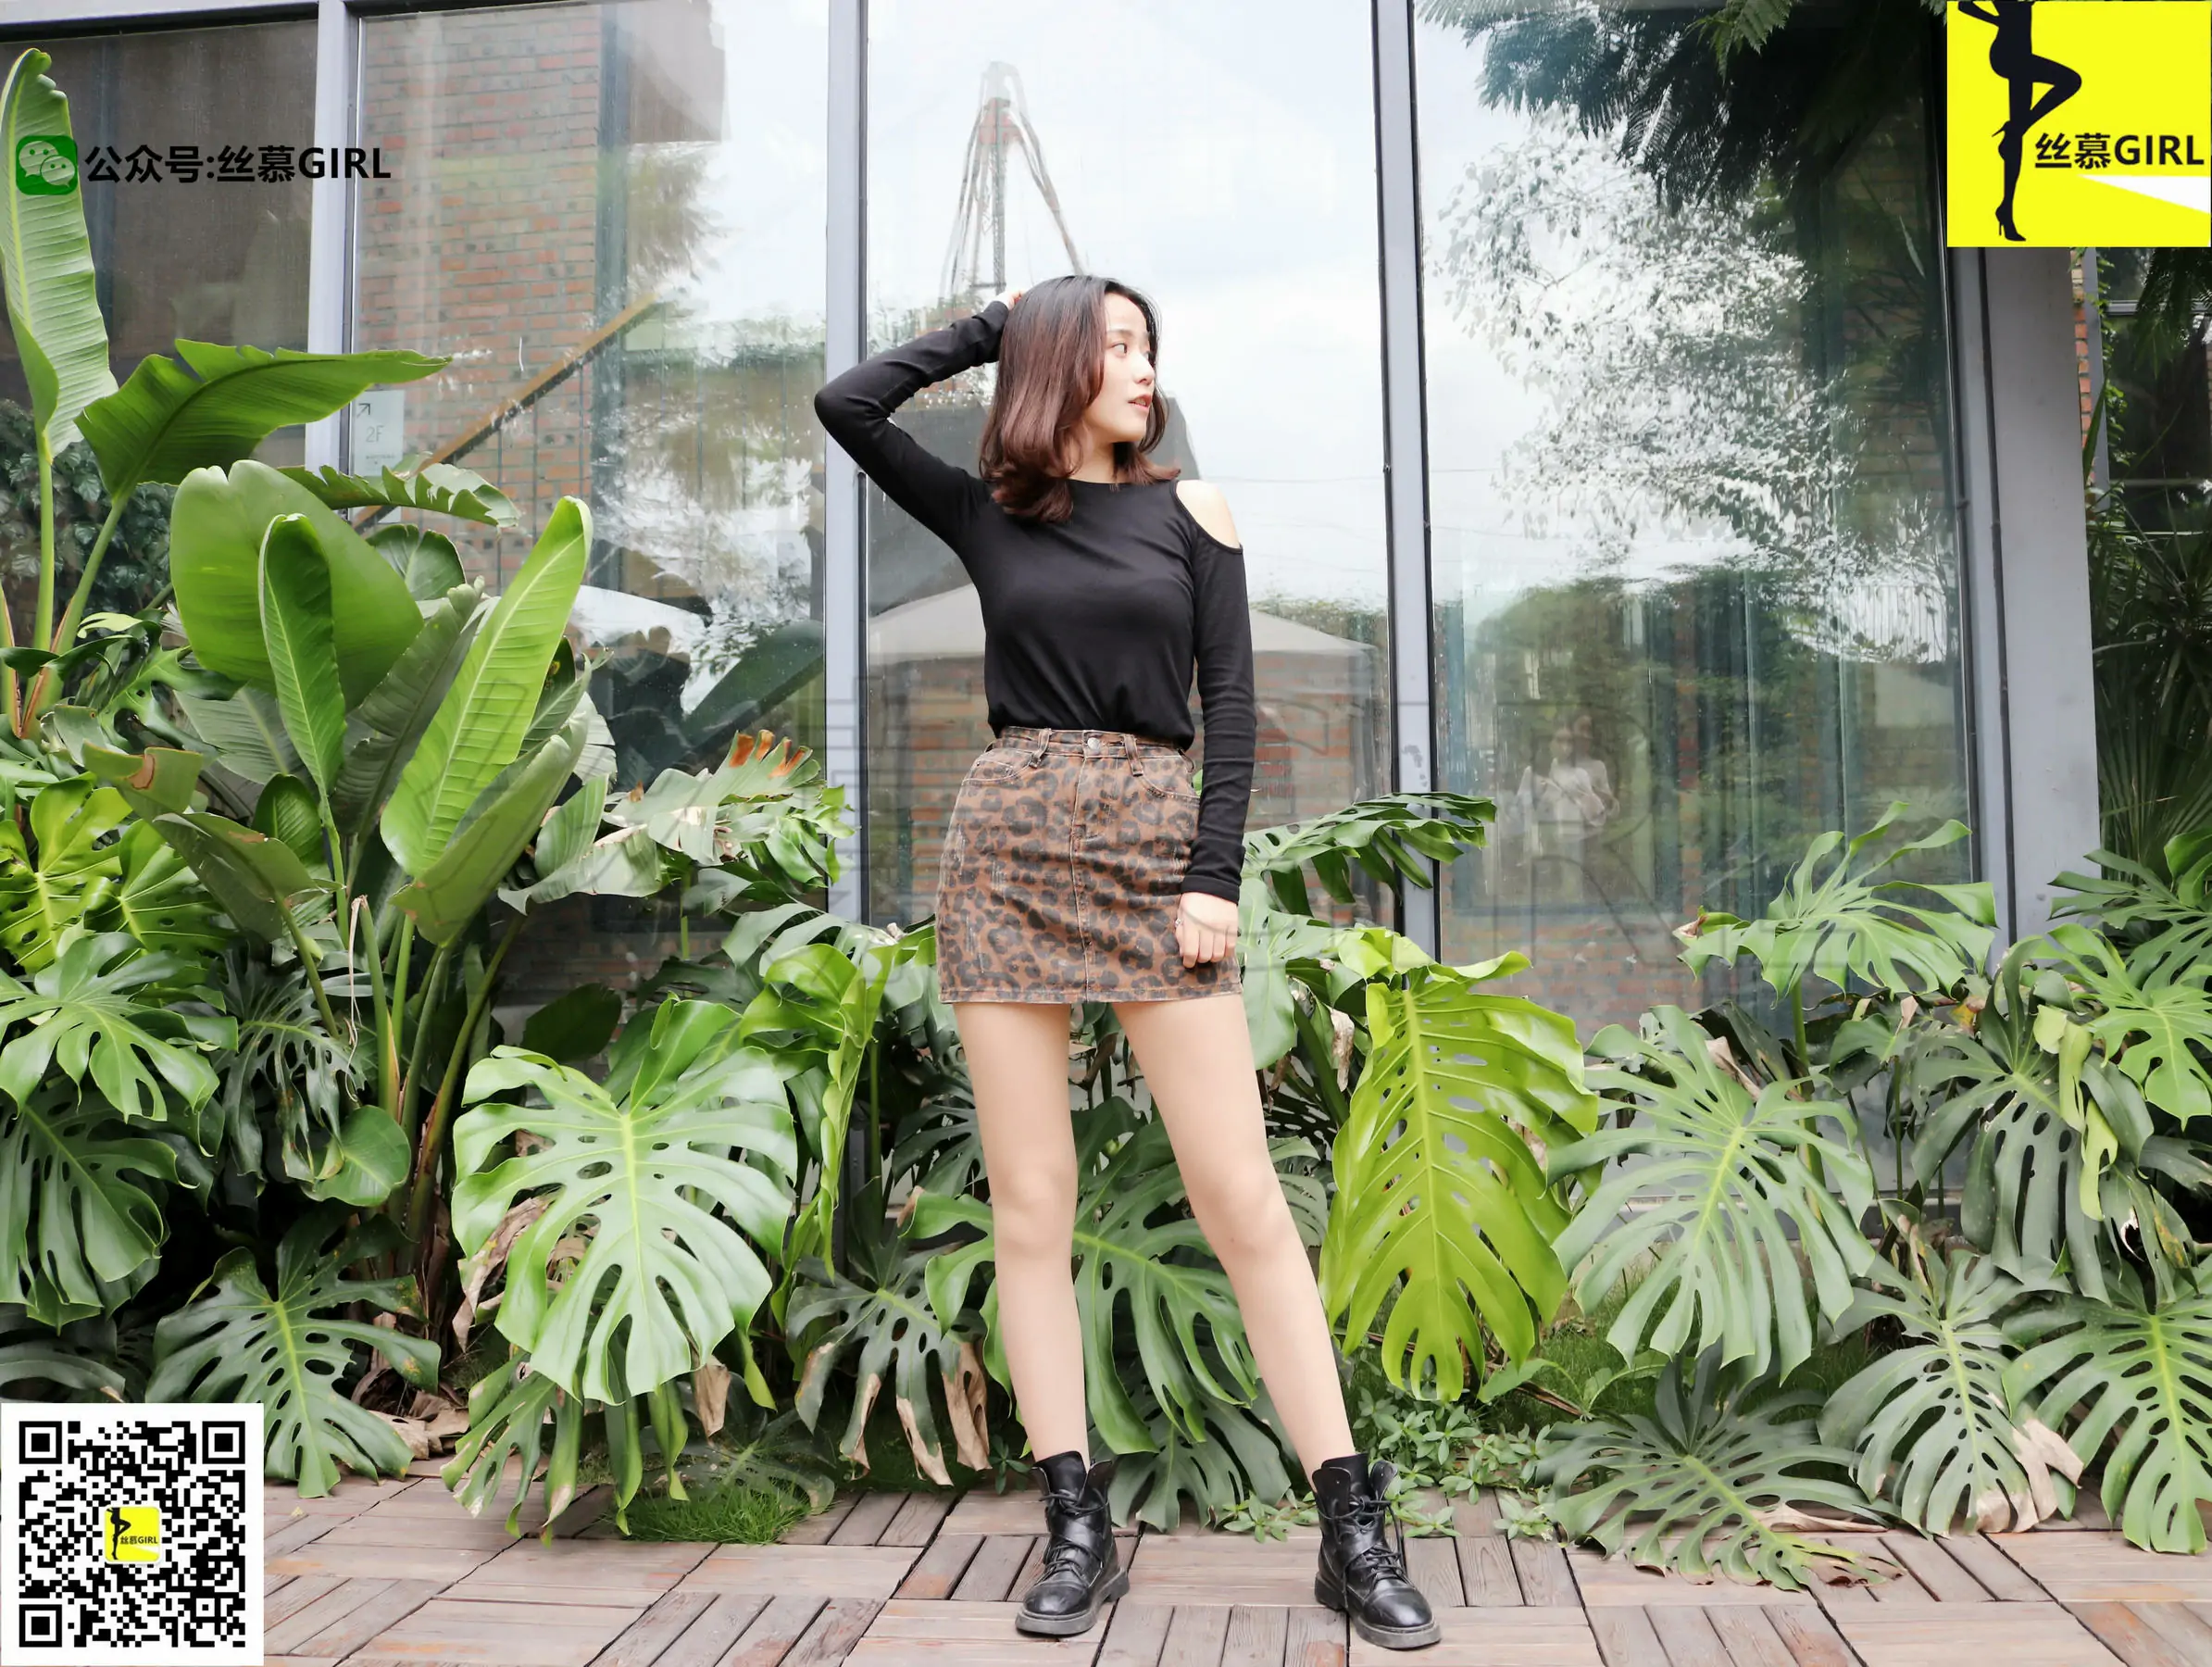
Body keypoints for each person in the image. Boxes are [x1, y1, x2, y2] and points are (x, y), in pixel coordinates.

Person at [815, 277, 1440, 1652]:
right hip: (1007, 851)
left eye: (1149, 344)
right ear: (1056, 363)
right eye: (1113, 343)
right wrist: (990, 329)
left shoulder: (1191, 514)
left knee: (1242, 1200)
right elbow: (846, 405)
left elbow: (1234, 705)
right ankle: (1074, 1527)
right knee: (1032, 1207)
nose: (1143, 366)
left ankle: (1350, 1528)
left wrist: (1213, 876)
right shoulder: (989, 514)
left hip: (1159, 855)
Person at [1956, 0, 2081, 244]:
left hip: (2023, 53)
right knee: (2070, 81)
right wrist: (1997, 20)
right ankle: (2017, 127)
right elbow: (1963, 5)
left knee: (2016, 136)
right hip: (2008, 55)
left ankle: (2006, 209)